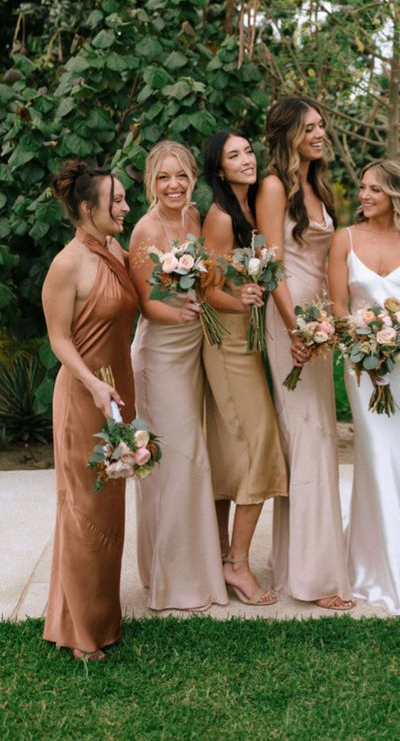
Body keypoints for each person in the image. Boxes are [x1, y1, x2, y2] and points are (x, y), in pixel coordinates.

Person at [328, 160, 400, 615]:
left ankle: (390, 550)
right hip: (361, 365)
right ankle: (383, 570)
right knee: (375, 454)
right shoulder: (345, 239)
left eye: (374, 189)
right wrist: (359, 348)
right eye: (362, 188)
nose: (364, 196)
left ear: (397, 194)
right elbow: (340, 306)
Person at [256, 96, 353, 610]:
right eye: (311, 127)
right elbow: (271, 265)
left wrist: (329, 321)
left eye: (322, 125)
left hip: (318, 319)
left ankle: (298, 560)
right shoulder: (273, 187)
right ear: (289, 132)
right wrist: (296, 328)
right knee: (308, 437)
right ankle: (314, 579)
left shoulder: (317, 186)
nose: (320, 134)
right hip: (288, 317)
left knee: (316, 435)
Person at [42, 160, 137, 660]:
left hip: (118, 393)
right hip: (85, 398)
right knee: (83, 510)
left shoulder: (116, 251)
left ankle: (97, 616)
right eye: (116, 200)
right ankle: (81, 633)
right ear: (86, 208)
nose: (125, 206)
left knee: (109, 509)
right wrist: (92, 387)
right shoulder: (67, 264)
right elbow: (58, 338)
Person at [129, 140, 228, 611]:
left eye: (181, 176)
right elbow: (145, 304)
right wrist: (182, 314)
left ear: (193, 178)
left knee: (191, 456)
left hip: (193, 349)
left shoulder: (194, 219)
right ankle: (173, 580)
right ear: (152, 182)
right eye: (164, 177)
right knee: (174, 460)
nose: (173, 185)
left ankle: (186, 568)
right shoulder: (144, 231)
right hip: (161, 353)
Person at [201, 130, 288, 606]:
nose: (247, 159)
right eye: (234, 156)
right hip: (227, 344)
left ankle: (219, 555)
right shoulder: (219, 218)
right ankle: (237, 563)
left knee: (234, 448)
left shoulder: (255, 208)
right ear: (219, 169)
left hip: (251, 343)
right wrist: (240, 298)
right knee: (259, 444)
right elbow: (205, 289)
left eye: (249, 151)